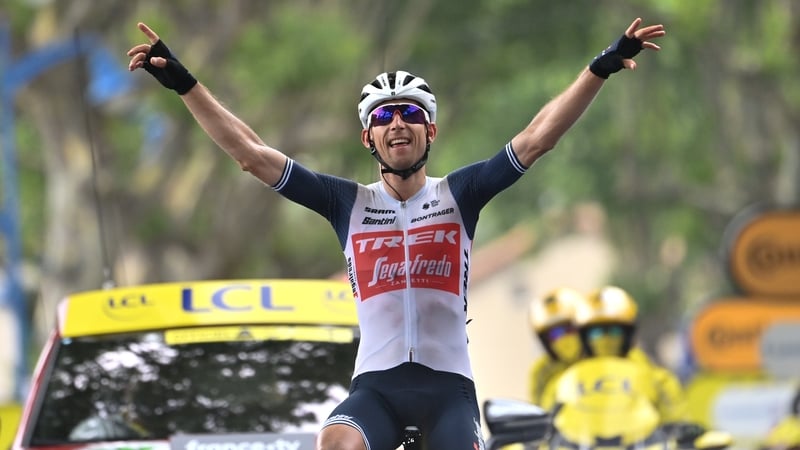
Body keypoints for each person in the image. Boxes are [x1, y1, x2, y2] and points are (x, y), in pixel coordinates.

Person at [127, 17, 665, 450]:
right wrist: (185, 84)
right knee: (335, 441)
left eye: (410, 113)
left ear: (430, 130)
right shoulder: (346, 202)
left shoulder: (461, 193)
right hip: (376, 392)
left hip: (448, 392)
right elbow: (251, 154)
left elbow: (536, 139)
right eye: (384, 117)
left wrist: (599, 68)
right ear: (369, 137)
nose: (397, 123)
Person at [571, 285, 688, 428]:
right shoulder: (568, 381)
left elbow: (678, 422)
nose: (605, 339)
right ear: (583, 337)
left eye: (614, 331)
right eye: (596, 332)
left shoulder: (657, 380)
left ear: (629, 334)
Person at [527, 288, 584, 407]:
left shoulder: (600, 354)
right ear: (545, 341)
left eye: (570, 329)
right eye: (555, 334)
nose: (563, 337)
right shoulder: (542, 371)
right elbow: (537, 409)